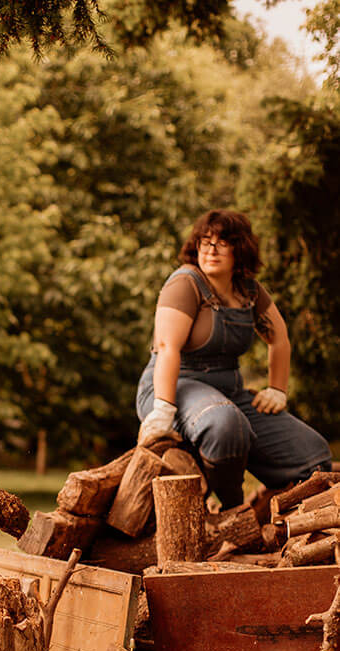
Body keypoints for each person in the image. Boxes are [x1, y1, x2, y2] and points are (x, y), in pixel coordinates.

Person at [136, 210, 331, 509]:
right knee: (225, 424)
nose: (211, 249)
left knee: (313, 455)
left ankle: (269, 512)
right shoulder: (185, 283)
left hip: (230, 393)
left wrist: (277, 390)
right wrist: (163, 409)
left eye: (222, 242)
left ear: (240, 248)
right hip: (174, 387)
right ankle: (232, 510)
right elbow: (166, 346)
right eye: (205, 241)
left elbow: (279, 338)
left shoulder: (248, 291)